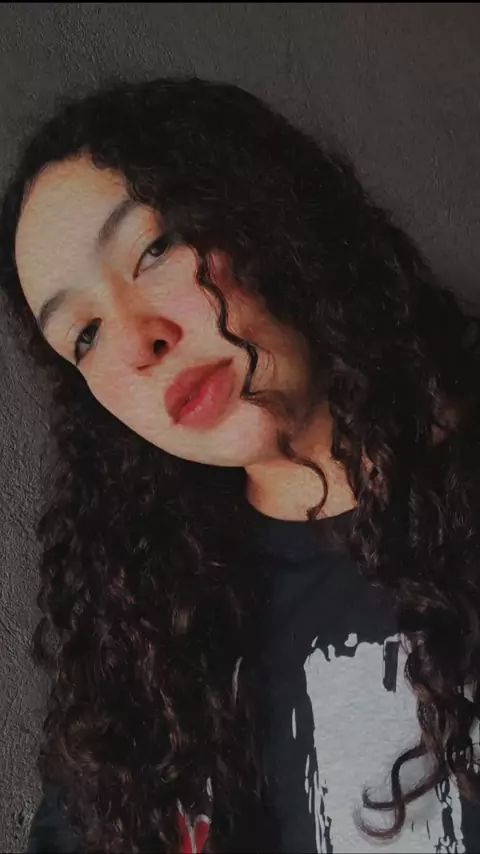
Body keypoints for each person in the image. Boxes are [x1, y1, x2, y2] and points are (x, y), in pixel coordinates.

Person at [2, 74, 480, 854]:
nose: (137, 339)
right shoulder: (147, 632)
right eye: (84, 335)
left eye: (154, 248)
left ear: (263, 208)